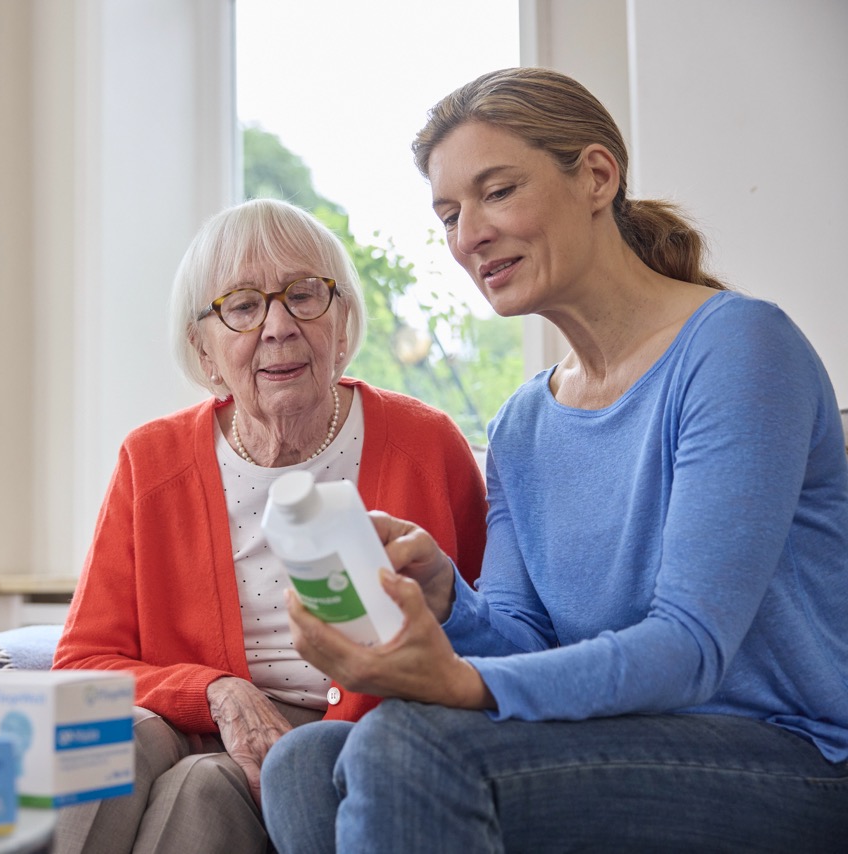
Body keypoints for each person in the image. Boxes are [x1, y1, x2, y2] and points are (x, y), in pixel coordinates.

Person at [261, 67, 848, 852]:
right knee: (303, 761)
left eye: (497, 192)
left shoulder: (741, 349)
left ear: (596, 176)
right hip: (624, 738)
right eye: (448, 214)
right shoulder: (524, 423)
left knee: (405, 741)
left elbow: (690, 648)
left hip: (788, 756)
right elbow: (527, 640)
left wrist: (459, 682)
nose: (468, 235)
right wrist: (447, 602)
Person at [51, 198, 489, 854]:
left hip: (343, 739)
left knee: (200, 787)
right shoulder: (152, 460)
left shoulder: (427, 445)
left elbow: (491, 631)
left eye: (304, 296)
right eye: (243, 306)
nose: (278, 325)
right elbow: (84, 662)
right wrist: (217, 693)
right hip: (191, 717)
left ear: (342, 324)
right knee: (110, 737)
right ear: (203, 348)